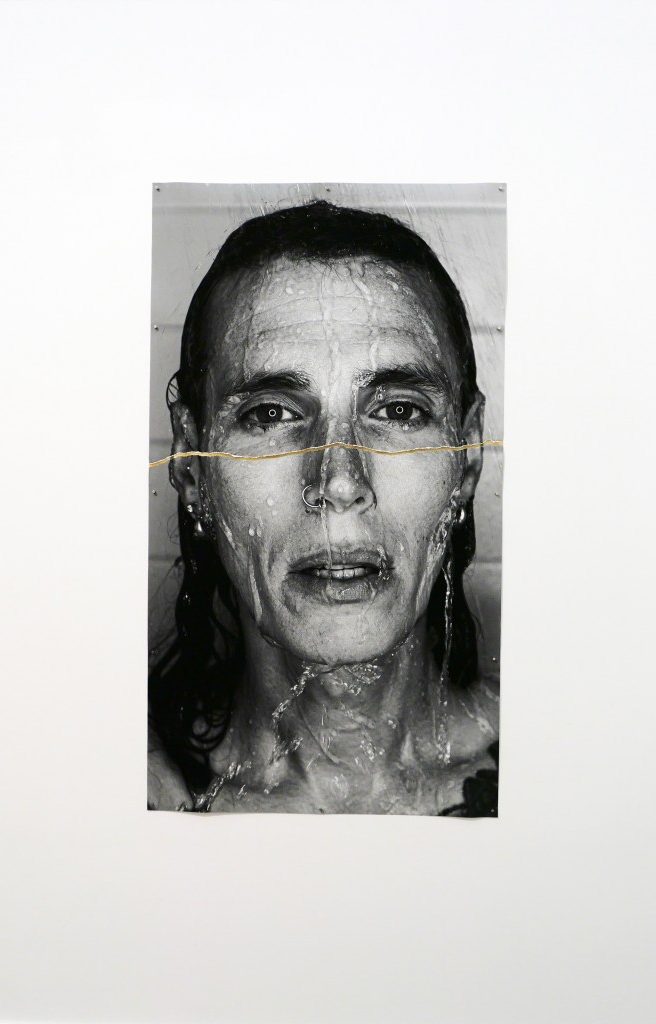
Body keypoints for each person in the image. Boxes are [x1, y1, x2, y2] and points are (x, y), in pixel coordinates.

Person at [148, 200, 499, 815]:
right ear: (191, 463)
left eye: (398, 411)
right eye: (271, 414)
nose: (338, 483)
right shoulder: (105, 790)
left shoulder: (580, 768)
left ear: (466, 457)